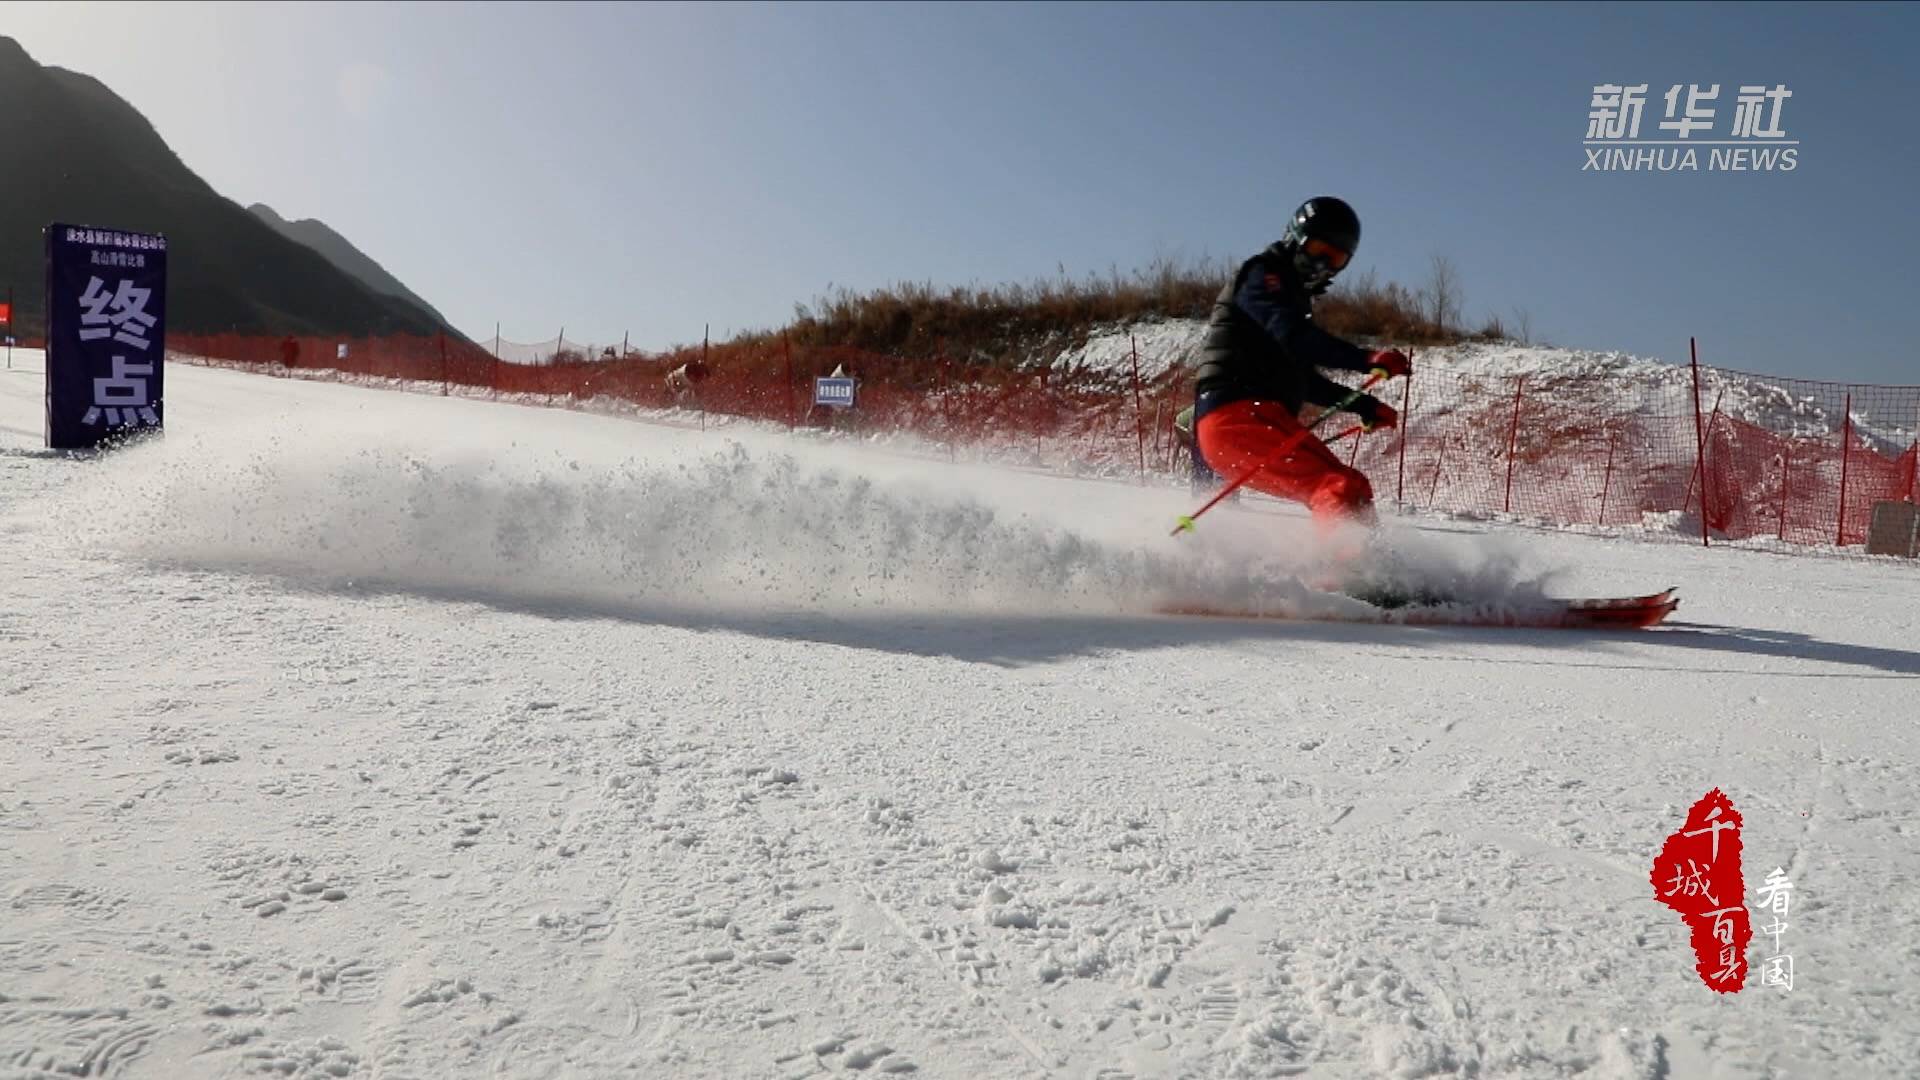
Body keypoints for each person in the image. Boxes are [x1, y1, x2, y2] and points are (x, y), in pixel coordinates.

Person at [1188, 196, 1410, 527]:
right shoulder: (1261, 276)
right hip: (1236, 417)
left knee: (1349, 487)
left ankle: (1366, 566)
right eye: (1319, 249)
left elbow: (1303, 379)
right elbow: (1295, 336)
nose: (1324, 264)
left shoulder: (1293, 300)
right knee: (1338, 487)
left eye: (1336, 258)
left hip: (1248, 422)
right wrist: (1366, 359)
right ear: (1296, 238)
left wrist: (1364, 405)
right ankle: (1352, 573)